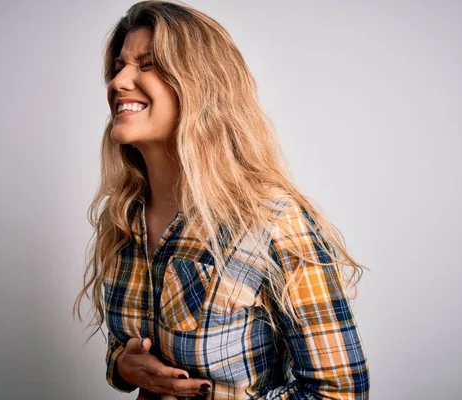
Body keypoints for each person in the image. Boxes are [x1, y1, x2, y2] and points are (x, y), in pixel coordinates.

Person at [73, 1, 371, 399]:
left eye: (147, 64)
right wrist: (123, 366)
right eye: (118, 67)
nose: (119, 81)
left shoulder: (273, 219)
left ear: (199, 84)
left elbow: (341, 391)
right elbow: (125, 345)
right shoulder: (123, 218)